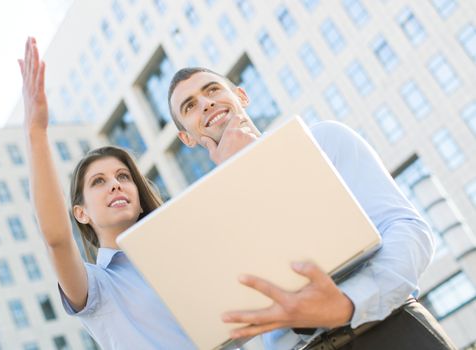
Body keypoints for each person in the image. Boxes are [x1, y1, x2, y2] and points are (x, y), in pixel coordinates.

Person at [167, 67, 457, 350]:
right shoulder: (209, 220)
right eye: (190, 106)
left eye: (213, 89)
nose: (206, 103)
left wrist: (349, 302)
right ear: (187, 138)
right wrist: (238, 178)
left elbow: (407, 230)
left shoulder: (323, 141)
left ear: (241, 96)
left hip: (388, 329)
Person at [18, 37, 198, 349]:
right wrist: (36, 132)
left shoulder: (181, 256)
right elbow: (57, 239)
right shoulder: (97, 287)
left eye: (123, 176)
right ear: (81, 213)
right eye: (98, 182)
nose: (115, 184)